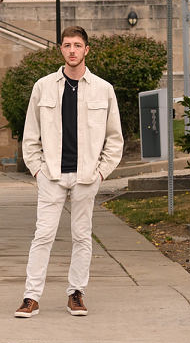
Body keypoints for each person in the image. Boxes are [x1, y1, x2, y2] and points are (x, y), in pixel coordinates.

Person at [15, 25, 123, 318]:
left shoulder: (103, 89)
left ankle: (76, 293)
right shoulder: (44, 86)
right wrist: (37, 169)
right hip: (51, 175)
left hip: (87, 176)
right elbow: (30, 135)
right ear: (60, 50)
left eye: (77, 45)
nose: (72, 50)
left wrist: (101, 172)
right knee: (43, 235)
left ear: (86, 50)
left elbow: (114, 139)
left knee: (82, 236)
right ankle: (31, 296)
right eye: (67, 45)